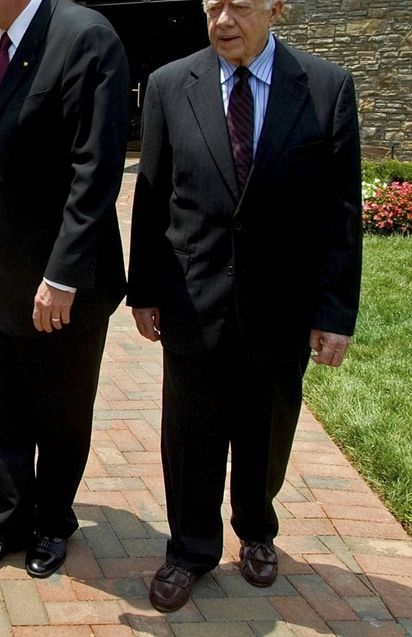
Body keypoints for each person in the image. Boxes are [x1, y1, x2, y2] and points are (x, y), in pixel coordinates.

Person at [127, 0, 362, 612]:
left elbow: (340, 214)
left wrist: (334, 312)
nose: (223, 19)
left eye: (240, 5)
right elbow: (151, 199)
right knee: (189, 434)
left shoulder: (326, 88)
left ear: (277, 7)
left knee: (266, 430)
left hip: (281, 306)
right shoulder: (170, 85)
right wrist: (145, 290)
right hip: (191, 297)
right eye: (213, 7)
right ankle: (189, 550)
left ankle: (256, 532)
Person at [0, 0, 129, 581]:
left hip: (57, 280)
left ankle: (51, 522)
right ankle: (6, 523)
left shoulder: (86, 39)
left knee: (60, 412)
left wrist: (62, 274)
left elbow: (96, 169)